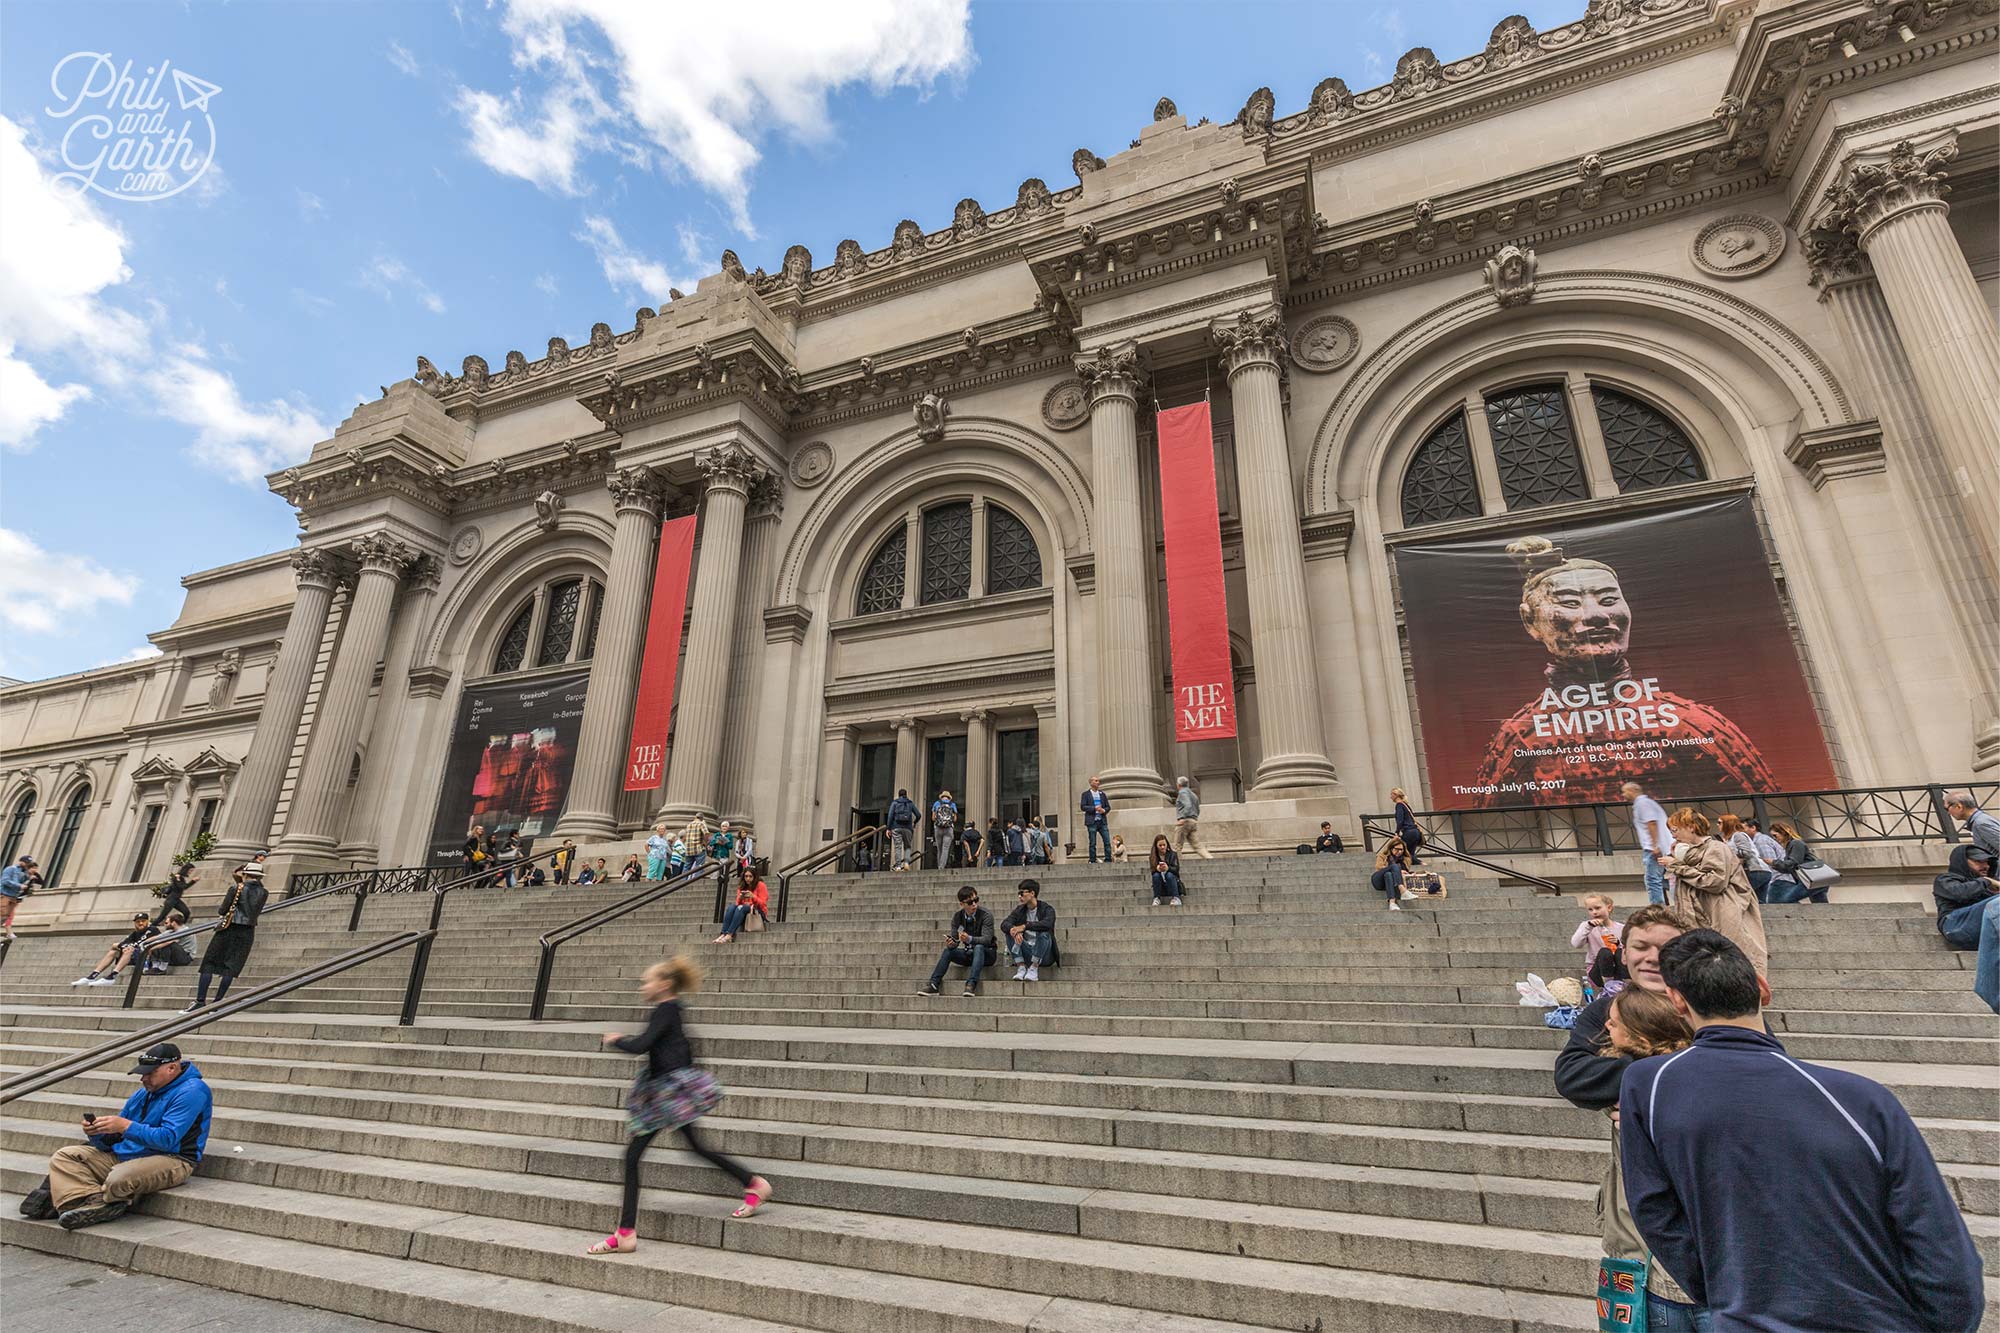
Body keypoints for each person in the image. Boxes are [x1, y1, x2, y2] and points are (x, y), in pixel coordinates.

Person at [1620, 929, 1983, 1333]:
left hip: (1743, 1315)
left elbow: (1655, 1211)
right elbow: (1939, 1245)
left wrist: (1724, 1289)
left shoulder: (1649, 1085)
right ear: (1762, 988)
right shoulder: (1864, 1100)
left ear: (1677, 1002)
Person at [1472, 536, 1778, 806]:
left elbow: (1764, 807)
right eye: (1569, 603)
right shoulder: (1519, 737)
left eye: (1608, 600)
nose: (1596, 616)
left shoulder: (1690, 724)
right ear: (1530, 622)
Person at [1551, 904, 1703, 1329]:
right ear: (1624, 950)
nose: (1651, 957)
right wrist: (1651, 1079)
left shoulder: (1712, 1003)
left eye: (1665, 947)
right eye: (1640, 946)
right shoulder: (1606, 1009)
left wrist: (1640, 1088)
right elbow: (1572, 1076)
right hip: (1630, 1213)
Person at [588, 958, 770, 1255]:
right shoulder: (672, 1011)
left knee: (634, 1156)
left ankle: (625, 1232)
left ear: (664, 984)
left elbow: (641, 1045)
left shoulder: (666, 1010)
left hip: (667, 1094)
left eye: (646, 981)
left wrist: (616, 1039)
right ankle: (753, 1183)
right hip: (667, 1091)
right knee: (693, 1146)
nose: (643, 986)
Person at [18, 1042, 212, 1232]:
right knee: (65, 1155)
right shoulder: (142, 1093)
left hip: (173, 1158)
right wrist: (97, 1133)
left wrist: (125, 1126)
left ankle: (93, 1202)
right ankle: (94, 1201)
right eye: (142, 1073)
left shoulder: (192, 1091)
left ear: (172, 1068)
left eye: (150, 1072)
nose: (143, 1078)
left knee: (119, 1179)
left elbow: (168, 1138)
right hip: (127, 1154)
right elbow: (115, 1138)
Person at [1661, 809, 1768, 976]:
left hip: (1722, 914)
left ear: (1691, 827)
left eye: (1675, 830)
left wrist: (1677, 866)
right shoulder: (1688, 854)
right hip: (1700, 920)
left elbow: (1715, 882)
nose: (1673, 835)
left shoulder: (1715, 848)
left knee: (1732, 964)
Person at [182, 863, 267, 1013]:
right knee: (231, 967)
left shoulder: (236, 888)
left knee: (209, 963)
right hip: (247, 931)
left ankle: (200, 1001)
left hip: (228, 928)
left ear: (245, 874)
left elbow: (223, 909)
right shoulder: (264, 892)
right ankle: (218, 1002)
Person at [919, 885, 995, 998]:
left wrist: (969, 939)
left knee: (979, 947)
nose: (974, 904)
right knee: (947, 951)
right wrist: (951, 943)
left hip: (987, 953)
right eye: (970, 902)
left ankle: (971, 984)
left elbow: (987, 939)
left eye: (976, 900)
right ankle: (934, 984)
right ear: (962, 904)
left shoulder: (986, 915)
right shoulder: (958, 917)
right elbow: (955, 939)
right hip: (968, 953)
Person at [1934, 843, 1999, 949]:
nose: (1985, 866)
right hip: (1955, 925)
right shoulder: (1944, 879)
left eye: (1987, 862)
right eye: (1978, 861)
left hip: (1984, 929)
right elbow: (1959, 893)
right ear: (1963, 862)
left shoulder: (1990, 885)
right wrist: (1985, 881)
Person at [73, 913, 159, 987]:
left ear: (147, 921)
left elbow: (158, 941)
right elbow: (120, 944)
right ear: (134, 923)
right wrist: (125, 946)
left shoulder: (153, 930)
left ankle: (112, 977)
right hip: (133, 955)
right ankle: (92, 976)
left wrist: (128, 946)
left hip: (146, 957)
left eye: (143, 921)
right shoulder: (134, 934)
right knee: (114, 951)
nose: (140, 923)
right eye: (138, 921)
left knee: (128, 949)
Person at [1623, 783, 1673, 906]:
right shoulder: (1647, 803)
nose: (1623, 795)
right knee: (1663, 880)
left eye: (1625, 791)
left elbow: (1651, 823)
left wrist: (1655, 845)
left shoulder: (1642, 804)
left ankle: (1657, 908)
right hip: (1660, 847)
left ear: (1633, 790)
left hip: (1653, 848)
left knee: (1653, 880)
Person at [1764, 821, 1831, 905]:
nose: (1774, 838)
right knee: (1821, 905)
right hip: (1815, 880)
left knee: (1786, 899)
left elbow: (1793, 863)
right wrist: (1775, 865)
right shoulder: (1791, 846)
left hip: (1812, 880)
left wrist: (1774, 862)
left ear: (1784, 832)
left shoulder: (1796, 843)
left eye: (1775, 835)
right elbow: (1790, 867)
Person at [1002, 879, 1056, 982]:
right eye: (1018, 893)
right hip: (1027, 952)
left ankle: (1034, 968)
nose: (1019, 896)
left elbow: (1047, 924)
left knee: (1044, 934)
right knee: (1010, 932)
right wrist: (1014, 930)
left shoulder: (1047, 909)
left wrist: (1024, 927)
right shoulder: (1020, 910)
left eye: (1022, 893)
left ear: (1032, 893)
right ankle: (1021, 967)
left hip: (1044, 955)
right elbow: (1004, 924)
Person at [1716, 814, 1772, 903]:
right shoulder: (1731, 838)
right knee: (1758, 902)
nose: (1717, 825)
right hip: (1760, 871)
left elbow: (1747, 852)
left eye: (1720, 822)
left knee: (1740, 896)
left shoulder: (1738, 835)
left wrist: (1729, 853)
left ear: (1727, 823)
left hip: (1754, 870)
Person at [1569, 894, 1622, 980]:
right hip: (1596, 968)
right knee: (1604, 952)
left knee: (1619, 952)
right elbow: (1576, 944)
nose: (1594, 912)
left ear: (1609, 908)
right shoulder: (1587, 926)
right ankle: (1607, 984)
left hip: (1617, 966)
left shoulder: (1620, 928)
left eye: (1597, 908)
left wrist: (1618, 943)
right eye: (1590, 909)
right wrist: (1588, 927)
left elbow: (1628, 950)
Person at [714, 863, 769, 943]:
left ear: (755, 877)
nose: (748, 879)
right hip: (743, 910)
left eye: (750, 876)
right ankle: (723, 933)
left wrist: (753, 897)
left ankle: (729, 934)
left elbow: (763, 903)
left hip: (758, 911)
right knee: (731, 907)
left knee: (742, 907)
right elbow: (737, 903)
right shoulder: (742, 886)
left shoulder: (761, 885)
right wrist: (740, 898)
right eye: (746, 876)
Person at [1946, 789, 2000, 860]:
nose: (1948, 813)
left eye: (1947, 809)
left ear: (1959, 806)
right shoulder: (1980, 821)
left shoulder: (1981, 823)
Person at [1172, 777, 1213, 860]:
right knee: (1197, 846)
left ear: (1178, 785)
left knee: (1177, 845)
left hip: (1185, 821)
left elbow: (1188, 805)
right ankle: (1210, 858)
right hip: (1193, 821)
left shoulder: (1182, 793)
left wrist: (1183, 817)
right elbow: (1197, 809)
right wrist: (1194, 818)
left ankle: (1178, 865)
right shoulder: (1193, 795)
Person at [1, 853, 40, 940]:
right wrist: (19, 886)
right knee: (2, 914)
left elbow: (22, 882)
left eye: (28, 863)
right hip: (4, 895)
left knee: (5, 917)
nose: (27, 865)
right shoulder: (11, 869)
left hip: (13, 897)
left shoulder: (23, 872)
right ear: (21, 862)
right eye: (26, 862)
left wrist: (29, 879)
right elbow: (5, 881)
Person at [1371, 837, 1412, 912]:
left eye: (1401, 850)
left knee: (1388, 874)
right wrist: (1397, 870)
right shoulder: (1383, 855)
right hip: (1378, 879)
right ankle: (1402, 889)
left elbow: (1406, 871)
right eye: (1397, 849)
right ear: (1391, 848)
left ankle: (1392, 902)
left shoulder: (1406, 859)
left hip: (1390, 880)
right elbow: (1378, 867)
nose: (1399, 852)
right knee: (1394, 867)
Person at [1079, 776, 1112, 864]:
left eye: (1098, 781)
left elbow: (1108, 807)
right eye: (1096, 781)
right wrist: (1094, 808)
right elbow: (1083, 806)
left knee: (1107, 841)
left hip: (1102, 821)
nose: (1098, 782)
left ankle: (1108, 859)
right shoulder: (1085, 794)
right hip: (1092, 821)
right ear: (1091, 783)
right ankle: (1092, 860)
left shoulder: (1102, 794)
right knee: (1092, 843)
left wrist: (1103, 810)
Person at [886, 790, 919, 871]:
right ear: (906, 795)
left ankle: (898, 866)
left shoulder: (895, 803)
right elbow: (918, 814)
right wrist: (914, 823)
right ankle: (907, 863)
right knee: (907, 847)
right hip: (908, 828)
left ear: (898, 795)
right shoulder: (910, 803)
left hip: (896, 827)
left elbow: (890, 816)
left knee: (898, 847)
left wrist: (888, 828)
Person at [1390, 788, 1424, 865]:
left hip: (1409, 832)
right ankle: (1416, 866)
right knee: (1410, 853)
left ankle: (1421, 863)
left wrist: (1397, 832)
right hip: (1416, 832)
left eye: (1392, 794)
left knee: (1403, 851)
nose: (1390, 796)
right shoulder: (1406, 805)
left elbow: (1400, 820)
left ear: (1396, 795)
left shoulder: (1399, 805)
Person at [1148, 834, 1183, 907]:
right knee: (1156, 875)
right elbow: (1152, 871)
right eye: (1160, 845)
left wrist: (1168, 868)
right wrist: (1156, 869)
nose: (1162, 847)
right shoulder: (1153, 857)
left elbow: (1176, 869)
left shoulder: (1173, 854)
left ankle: (1176, 897)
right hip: (1161, 885)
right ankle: (1157, 898)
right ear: (1156, 846)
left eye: (1164, 845)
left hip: (1172, 882)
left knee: (1169, 874)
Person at [929, 791, 959, 870]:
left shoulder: (936, 804)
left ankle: (939, 865)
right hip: (949, 829)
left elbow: (933, 818)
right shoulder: (952, 805)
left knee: (939, 848)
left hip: (938, 828)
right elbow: (955, 819)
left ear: (941, 797)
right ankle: (942, 867)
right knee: (945, 848)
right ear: (949, 797)